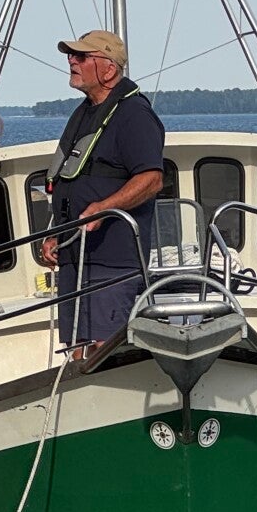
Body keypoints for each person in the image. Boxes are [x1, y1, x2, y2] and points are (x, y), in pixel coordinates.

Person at [39, 30, 165, 351]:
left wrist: (103, 208)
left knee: (103, 348)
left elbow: (151, 179)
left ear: (108, 69)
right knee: (76, 349)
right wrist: (56, 235)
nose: (72, 61)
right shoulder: (84, 112)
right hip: (75, 258)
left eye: (81, 56)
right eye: (71, 55)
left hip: (111, 261)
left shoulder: (133, 115)